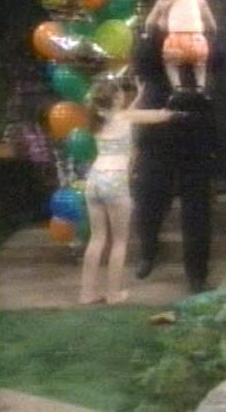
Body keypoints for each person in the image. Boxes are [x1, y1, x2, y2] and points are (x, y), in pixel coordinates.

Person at [130, 25, 217, 294]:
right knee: (149, 199)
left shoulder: (202, 41)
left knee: (198, 210)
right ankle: (148, 251)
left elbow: (221, 67)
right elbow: (140, 60)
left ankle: (197, 273)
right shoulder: (153, 50)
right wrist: (156, 24)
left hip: (195, 139)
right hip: (157, 139)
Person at [79, 78, 181, 305]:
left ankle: (86, 293)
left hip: (95, 179)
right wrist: (178, 109)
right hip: (115, 181)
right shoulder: (125, 117)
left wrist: (139, 96)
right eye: (121, 93)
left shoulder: (98, 119)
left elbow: (125, 114)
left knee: (97, 239)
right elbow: (159, 115)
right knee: (119, 241)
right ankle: (113, 293)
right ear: (116, 98)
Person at [144, 0, 217, 91]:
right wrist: (211, 33)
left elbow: (149, 22)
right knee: (200, 66)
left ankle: (177, 89)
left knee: (170, 65)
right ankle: (200, 88)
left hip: (175, 42)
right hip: (197, 41)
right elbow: (212, 25)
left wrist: (148, 32)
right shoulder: (199, 0)